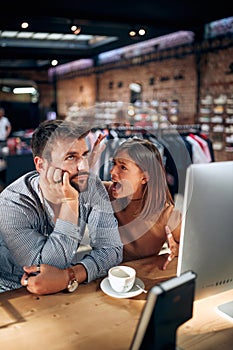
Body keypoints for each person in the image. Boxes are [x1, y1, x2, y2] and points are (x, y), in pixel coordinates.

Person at [21, 136, 181, 295]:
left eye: (123, 167)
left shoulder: (168, 214)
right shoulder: (104, 193)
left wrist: (179, 251)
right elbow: (70, 184)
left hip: (139, 285)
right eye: (114, 164)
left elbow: (195, 252)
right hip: (99, 280)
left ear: (144, 177)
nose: (112, 172)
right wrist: (85, 165)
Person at [0, 119, 123, 293]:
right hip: (12, 292)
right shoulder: (12, 204)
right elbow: (43, 272)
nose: (84, 166)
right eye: (71, 157)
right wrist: (70, 205)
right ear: (41, 165)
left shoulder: (90, 184)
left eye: (85, 155)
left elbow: (112, 250)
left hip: (66, 289)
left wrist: (70, 275)